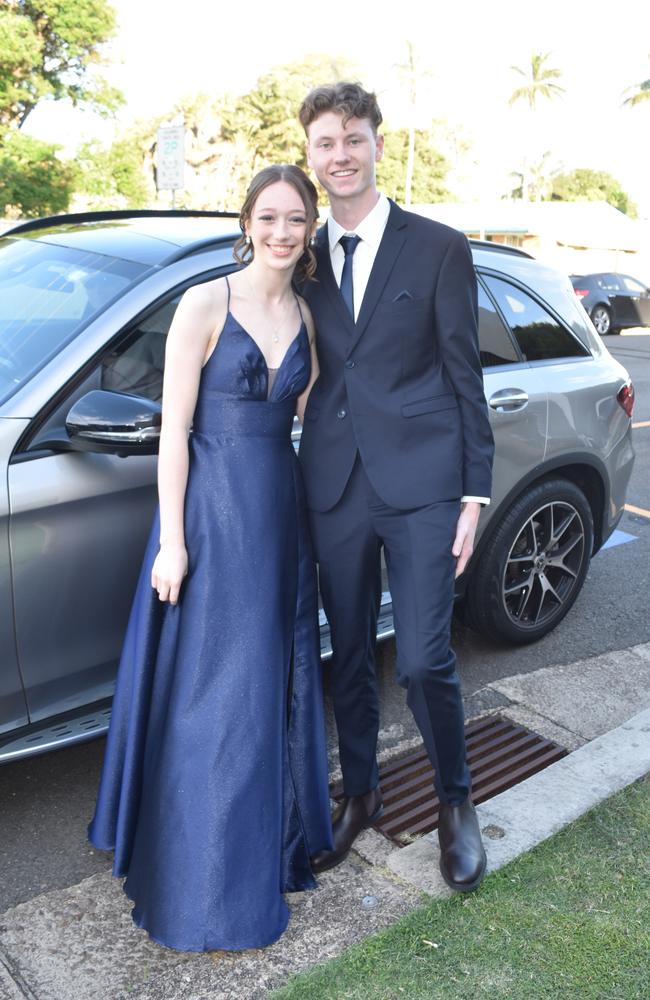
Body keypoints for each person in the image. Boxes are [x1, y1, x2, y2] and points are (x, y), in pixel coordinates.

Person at [88, 164, 333, 952]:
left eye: (296, 219)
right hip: (208, 516)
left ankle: (263, 850)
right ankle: (194, 875)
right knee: (206, 698)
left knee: (263, 692)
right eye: (269, 218)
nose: (282, 233)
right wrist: (172, 538)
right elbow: (174, 432)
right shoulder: (206, 301)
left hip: (276, 516)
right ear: (248, 221)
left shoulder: (307, 314)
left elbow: (308, 410)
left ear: (310, 227)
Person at [297, 83, 495, 891]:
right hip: (335, 485)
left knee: (420, 660)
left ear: (377, 141)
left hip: (422, 487)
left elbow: (465, 377)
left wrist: (473, 496)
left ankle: (456, 802)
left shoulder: (439, 246)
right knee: (346, 657)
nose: (338, 155)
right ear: (309, 154)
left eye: (352, 138)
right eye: (324, 143)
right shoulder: (299, 251)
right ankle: (362, 794)